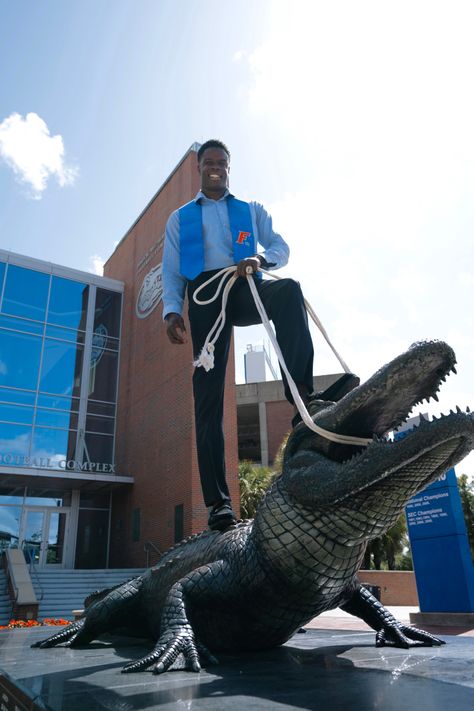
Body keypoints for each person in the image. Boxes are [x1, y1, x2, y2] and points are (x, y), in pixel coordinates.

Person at [162, 139, 358, 531]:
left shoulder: (250, 211)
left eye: (222, 163)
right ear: (199, 169)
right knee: (208, 399)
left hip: (245, 282)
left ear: (229, 168)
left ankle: (302, 398)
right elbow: (171, 268)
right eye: (209, 163)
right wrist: (170, 310)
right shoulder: (180, 218)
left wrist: (261, 259)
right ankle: (218, 504)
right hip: (204, 298)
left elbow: (281, 247)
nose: (215, 168)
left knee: (288, 291)